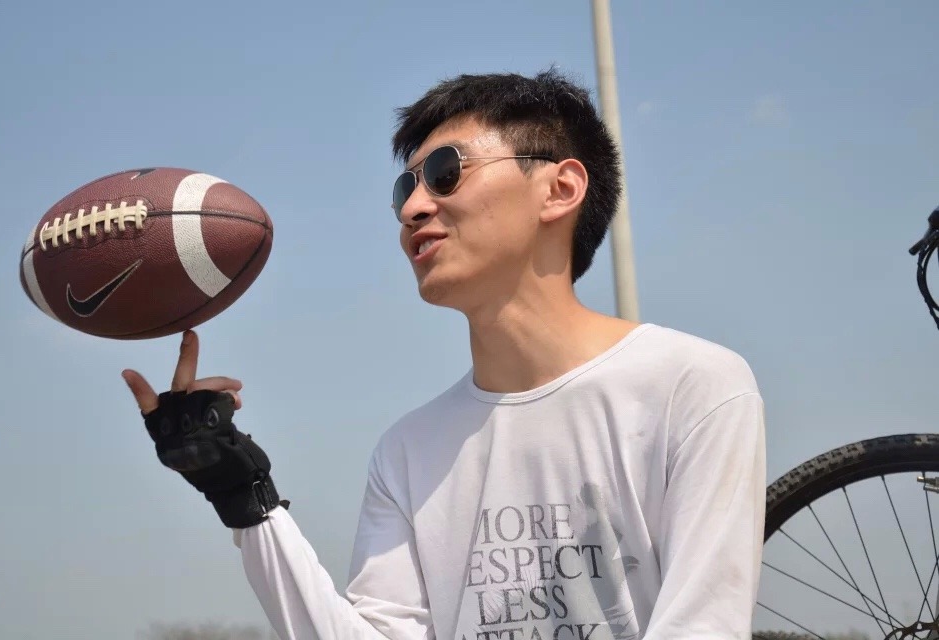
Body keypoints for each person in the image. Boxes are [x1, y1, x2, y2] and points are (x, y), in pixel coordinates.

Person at [122, 68, 767, 640]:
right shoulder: (407, 450)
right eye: (403, 189)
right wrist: (242, 496)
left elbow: (702, 627)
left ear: (560, 189)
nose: (413, 208)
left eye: (444, 172)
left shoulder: (692, 387)